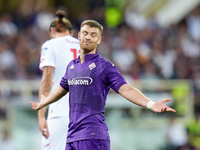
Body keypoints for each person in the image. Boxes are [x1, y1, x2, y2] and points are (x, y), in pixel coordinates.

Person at [31, 20, 176, 150]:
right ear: (79, 36)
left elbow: (126, 89)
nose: (88, 37)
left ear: (99, 40)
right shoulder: (72, 66)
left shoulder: (104, 67)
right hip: (72, 137)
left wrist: (151, 104)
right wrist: (44, 103)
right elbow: (61, 89)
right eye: (85, 33)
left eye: (93, 35)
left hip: (93, 137)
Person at [38, 10, 80, 150]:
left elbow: (46, 80)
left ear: (52, 30)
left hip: (61, 112)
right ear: (71, 32)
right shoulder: (85, 46)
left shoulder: (51, 44)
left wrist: (41, 115)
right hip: (85, 114)